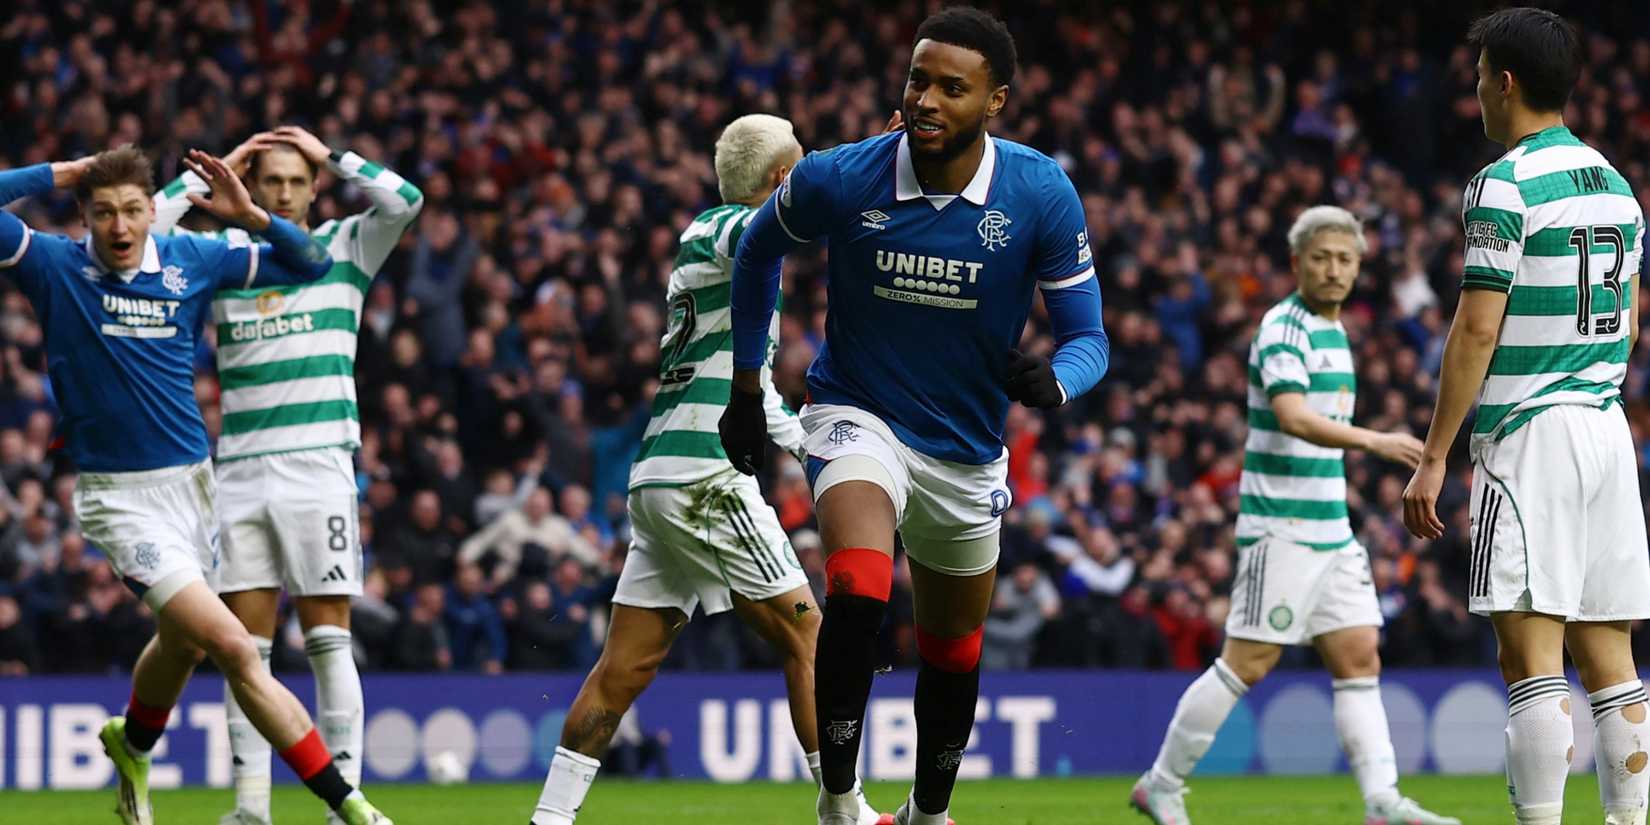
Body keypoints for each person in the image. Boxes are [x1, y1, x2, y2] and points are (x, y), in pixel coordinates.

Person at [721, 9, 1109, 825]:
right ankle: (838, 799)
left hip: (966, 450)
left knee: (953, 650)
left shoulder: (1040, 192)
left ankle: (928, 813)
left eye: (951, 88)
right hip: (857, 413)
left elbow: (1089, 339)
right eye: (917, 80)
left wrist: (1057, 381)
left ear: (995, 101)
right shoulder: (841, 176)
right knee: (859, 587)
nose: (926, 99)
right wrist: (747, 389)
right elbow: (757, 249)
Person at [0, 145, 390, 825]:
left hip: (194, 489)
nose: (119, 226)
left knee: (182, 643)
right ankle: (349, 805)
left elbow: (312, 264)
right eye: (102, 212)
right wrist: (63, 174)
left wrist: (254, 217)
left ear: (152, 211)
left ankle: (133, 743)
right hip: (120, 501)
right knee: (235, 646)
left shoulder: (192, 259)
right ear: (84, 216)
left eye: (131, 210)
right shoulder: (54, 265)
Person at [529, 113, 878, 825]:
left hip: (664, 475)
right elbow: (758, 236)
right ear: (783, 179)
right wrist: (876, 160)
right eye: (801, 169)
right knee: (809, 636)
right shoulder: (724, 228)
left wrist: (813, 450)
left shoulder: (720, 254)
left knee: (622, 669)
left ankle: (549, 819)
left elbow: (760, 394)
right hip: (704, 480)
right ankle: (845, 813)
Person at [1130, 206, 1457, 825]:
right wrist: (1376, 440)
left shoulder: (1335, 331)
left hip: (1331, 529)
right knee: (1247, 663)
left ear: (1358, 267)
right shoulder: (1285, 326)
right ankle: (1160, 784)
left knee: (1359, 655)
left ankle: (1382, 803)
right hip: (1280, 527)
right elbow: (1293, 416)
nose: (1333, 269)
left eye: (1344, 259)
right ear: (1296, 262)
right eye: (1321, 258)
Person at [1403, 8, 1649, 825]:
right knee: (1611, 657)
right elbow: (1629, 326)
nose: (1476, 90)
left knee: (1531, 659)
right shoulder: (1617, 186)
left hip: (1531, 433)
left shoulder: (1503, 183)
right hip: (1606, 428)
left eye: (1479, 76)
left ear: (1504, 82)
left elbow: (1477, 327)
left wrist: (1435, 454)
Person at [149, 125, 422, 825]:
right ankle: (251, 809)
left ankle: (344, 801)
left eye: (299, 180)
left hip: (318, 465)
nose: (285, 192)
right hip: (239, 470)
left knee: (329, 639)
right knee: (244, 650)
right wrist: (213, 174)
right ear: (253, 184)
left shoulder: (346, 246)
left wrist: (332, 153)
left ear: (316, 188)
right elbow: (143, 232)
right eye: (271, 179)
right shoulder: (227, 256)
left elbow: (406, 199)